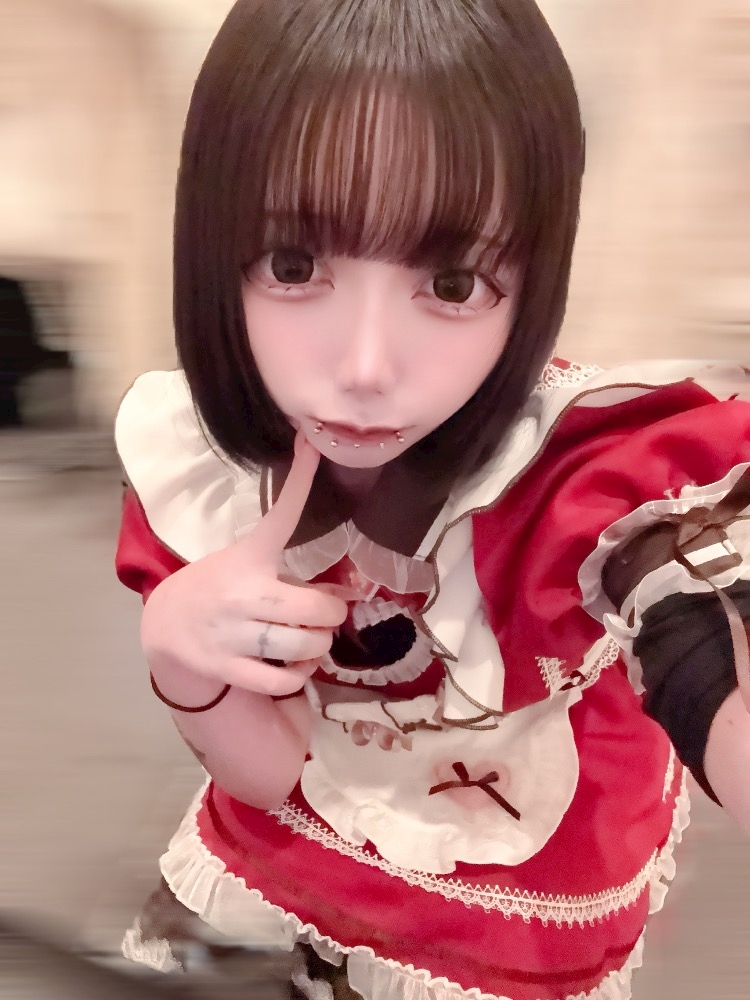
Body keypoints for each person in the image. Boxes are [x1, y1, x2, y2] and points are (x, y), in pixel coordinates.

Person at [113, 2, 750, 998]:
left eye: (453, 282)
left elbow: (688, 581)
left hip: (512, 859)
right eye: (293, 264)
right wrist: (181, 654)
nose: (366, 368)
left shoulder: (583, 476)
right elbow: (266, 775)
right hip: (303, 827)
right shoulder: (197, 463)